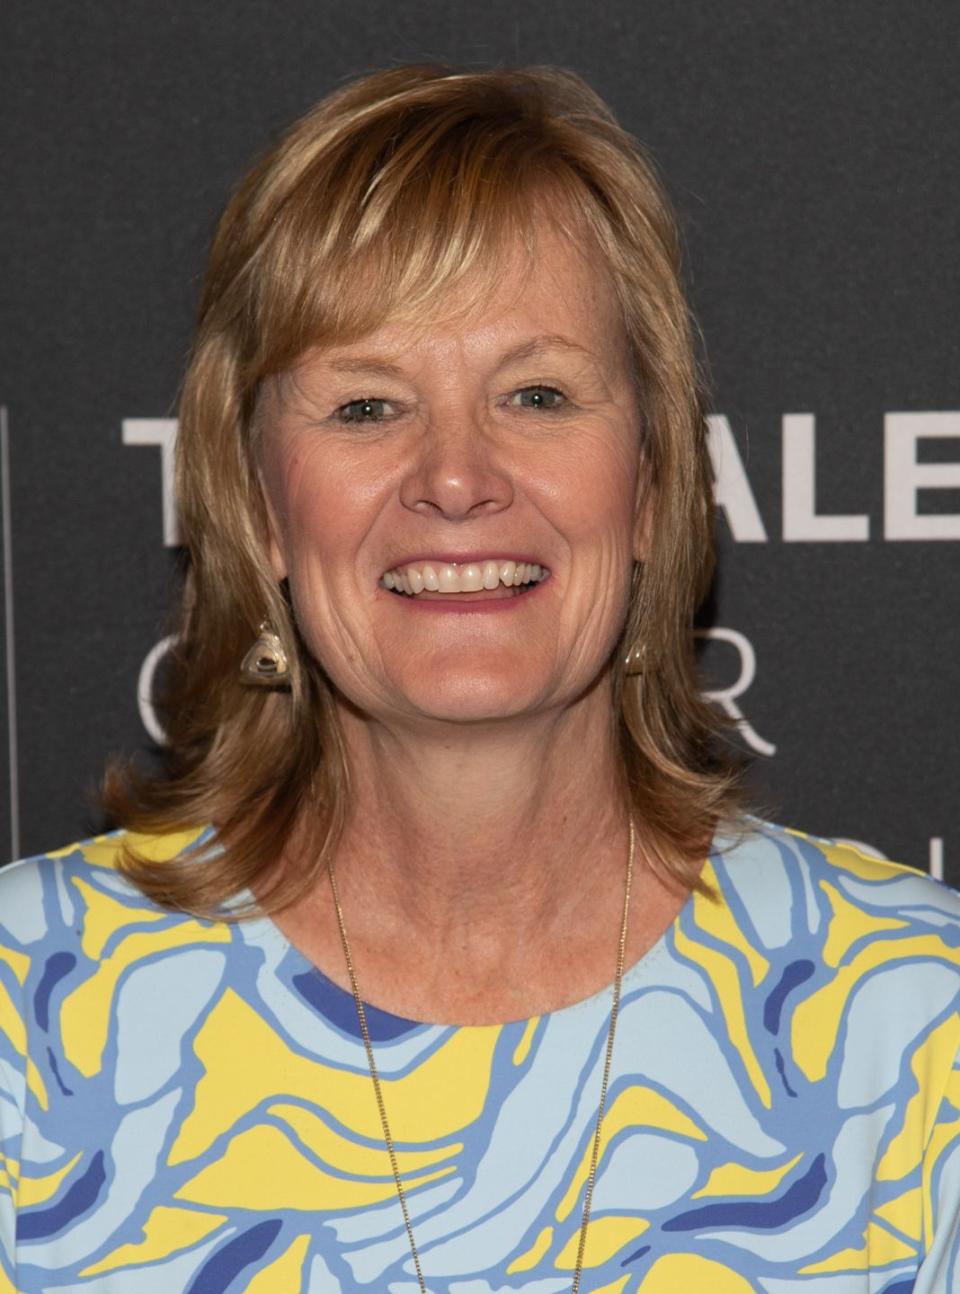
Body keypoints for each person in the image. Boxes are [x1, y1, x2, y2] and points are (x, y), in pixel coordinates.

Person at [0, 64, 957, 1294]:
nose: (456, 477)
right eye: (365, 406)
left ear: (655, 486)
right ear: (259, 509)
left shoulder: (915, 1032)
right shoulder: (30, 1022)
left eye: (537, 393)